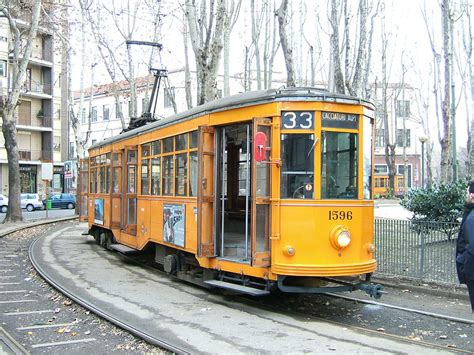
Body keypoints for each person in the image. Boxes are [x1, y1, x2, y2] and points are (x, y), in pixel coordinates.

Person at [456, 181, 474, 313]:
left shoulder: (471, 218)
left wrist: (462, 262)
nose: (466, 195)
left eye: (467, 192)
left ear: (472, 195)